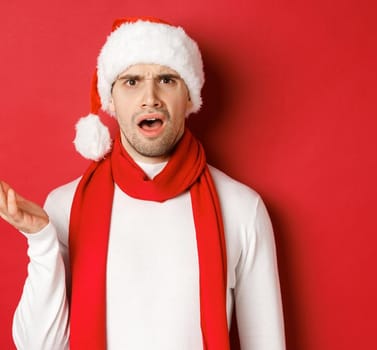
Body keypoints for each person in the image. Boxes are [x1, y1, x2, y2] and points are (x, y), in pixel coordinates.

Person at [0, 17, 285, 350]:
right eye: (132, 82)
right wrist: (42, 241)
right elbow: (38, 346)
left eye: (166, 79)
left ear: (190, 97)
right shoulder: (65, 205)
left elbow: (266, 343)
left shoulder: (240, 208)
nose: (150, 98)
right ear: (111, 99)